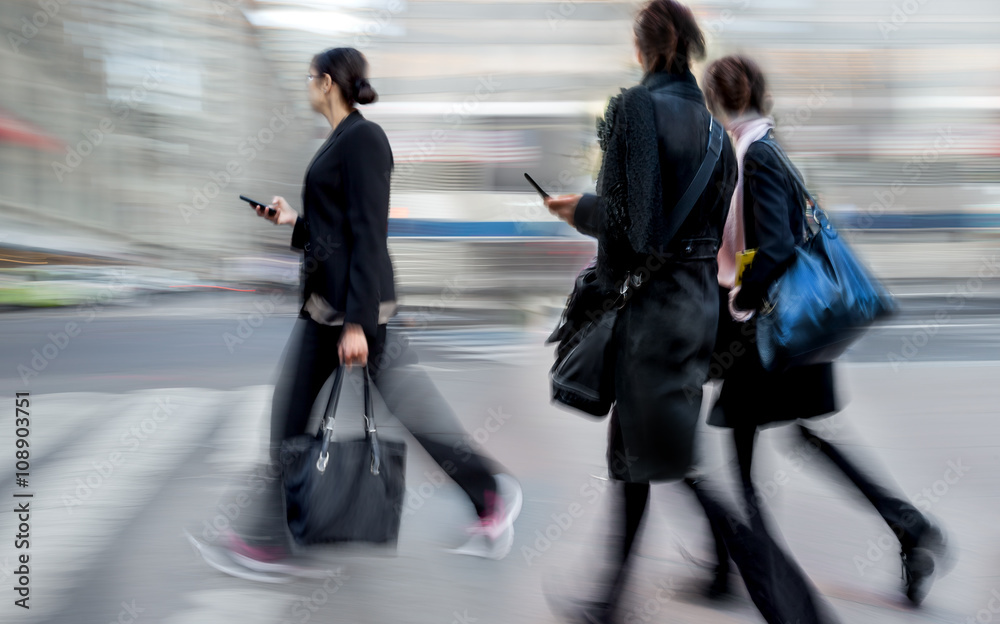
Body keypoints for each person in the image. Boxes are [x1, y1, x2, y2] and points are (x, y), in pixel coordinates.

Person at [192, 47, 522, 582]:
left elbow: (370, 237)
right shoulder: (341, 141)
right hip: (329, 308)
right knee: (302, 420)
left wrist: (356, 325)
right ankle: (273, 540)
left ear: (326, 83)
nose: (305, 87)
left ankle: (487, 493)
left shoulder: (365, 139)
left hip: (346, 314)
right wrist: (292, 222)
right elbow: (334, 237)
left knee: (347, 419)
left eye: (308, 79)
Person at [701, 53, 950, 606]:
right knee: (800, 439)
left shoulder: (755, 155)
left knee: (741, 461)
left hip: (767, 330)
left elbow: (775, 245)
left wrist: (742, 292)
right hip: (788, 326)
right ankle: (907, 525)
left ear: (716, 103)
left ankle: (753, 578)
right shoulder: (765, 146)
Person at [544, 1, 737, 620]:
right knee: (645, 451)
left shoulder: (632, 109)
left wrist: (581, 211)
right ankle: (629, 593)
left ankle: (739, 563)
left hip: (651, 316)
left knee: (650, 456)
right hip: (698, 311)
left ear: (642, 48)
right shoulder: (714, 131)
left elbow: (635, 230)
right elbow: (705, 226)